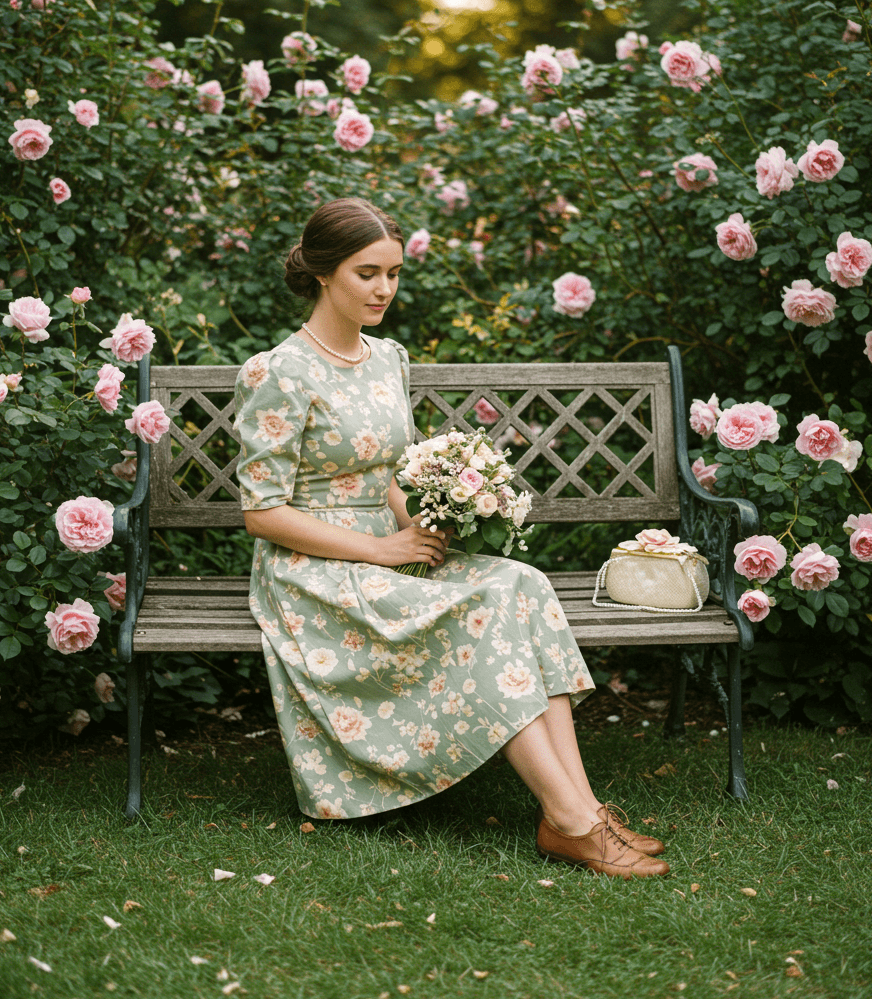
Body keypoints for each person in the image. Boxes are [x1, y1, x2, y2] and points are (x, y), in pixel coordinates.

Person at [234, 197, 669, 880]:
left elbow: (385, 472)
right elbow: (261, 512)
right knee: (486, 609)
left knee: (522, 584)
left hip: (391, 547)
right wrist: (380, 550)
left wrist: (416, 515)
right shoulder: (279, 372)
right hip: (313, 568)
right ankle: (574, 822)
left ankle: (578, 809)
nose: (384, 290)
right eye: (366, 273)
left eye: (394, 275)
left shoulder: (388, 359)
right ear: (322, 273)